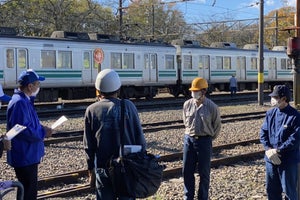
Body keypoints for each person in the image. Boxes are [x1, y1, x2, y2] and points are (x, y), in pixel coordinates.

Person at [83, 69, 146, 200]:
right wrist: (142, 159)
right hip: (127, 165)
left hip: (102, 167)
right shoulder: (128, 106)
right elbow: (139, 137)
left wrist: (91, 168)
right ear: (118, 88)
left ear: (98, 89)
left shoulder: (91, 110)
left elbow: (88, 145)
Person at [6, 69, 54, 200]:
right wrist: (43, 132)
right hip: (25, 155)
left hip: (27, 154)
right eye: (37, 84)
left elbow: (28, 125)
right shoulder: (20, 103)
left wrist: (41, 127)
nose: (39, 87)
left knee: (26, 189)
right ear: (30, 86)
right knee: (28, 191)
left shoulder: (23, 100)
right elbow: (23, 130)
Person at [182, 77, 222, 200]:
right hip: (189, 139)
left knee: (204, 173)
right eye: (193, 91)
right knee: (187, 171)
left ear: (204, 91)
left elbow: (217, 127)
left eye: (197, 90)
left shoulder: (212, 107)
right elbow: (185, 122)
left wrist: (207, 138)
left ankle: (202, 197)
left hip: (204, 141)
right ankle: (188, 196)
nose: (194, 93)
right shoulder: (187, 104)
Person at [260, 85, 300, 200]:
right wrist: (268, 149)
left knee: (290, 191)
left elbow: (295, 139)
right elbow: (263, 132)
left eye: (276, 97)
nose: (273, 99)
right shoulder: (270, 113)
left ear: (284, 99)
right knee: (272, 191)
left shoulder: (295, 116)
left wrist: (278, 150)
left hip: (288, 160)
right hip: (270, 159)